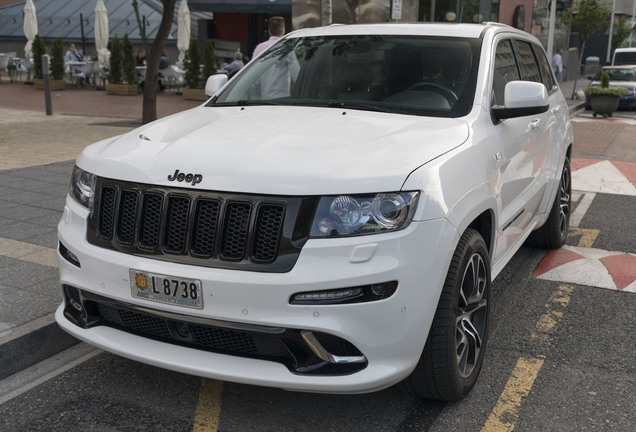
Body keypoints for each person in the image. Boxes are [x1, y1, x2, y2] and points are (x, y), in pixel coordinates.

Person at [252, 17, 299, 99]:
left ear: (269, 31)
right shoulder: (286, 47)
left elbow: (253, 75)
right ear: (282, 31)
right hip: (281, 99)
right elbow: (296, 74)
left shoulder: (259, 48)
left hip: (261, 100)